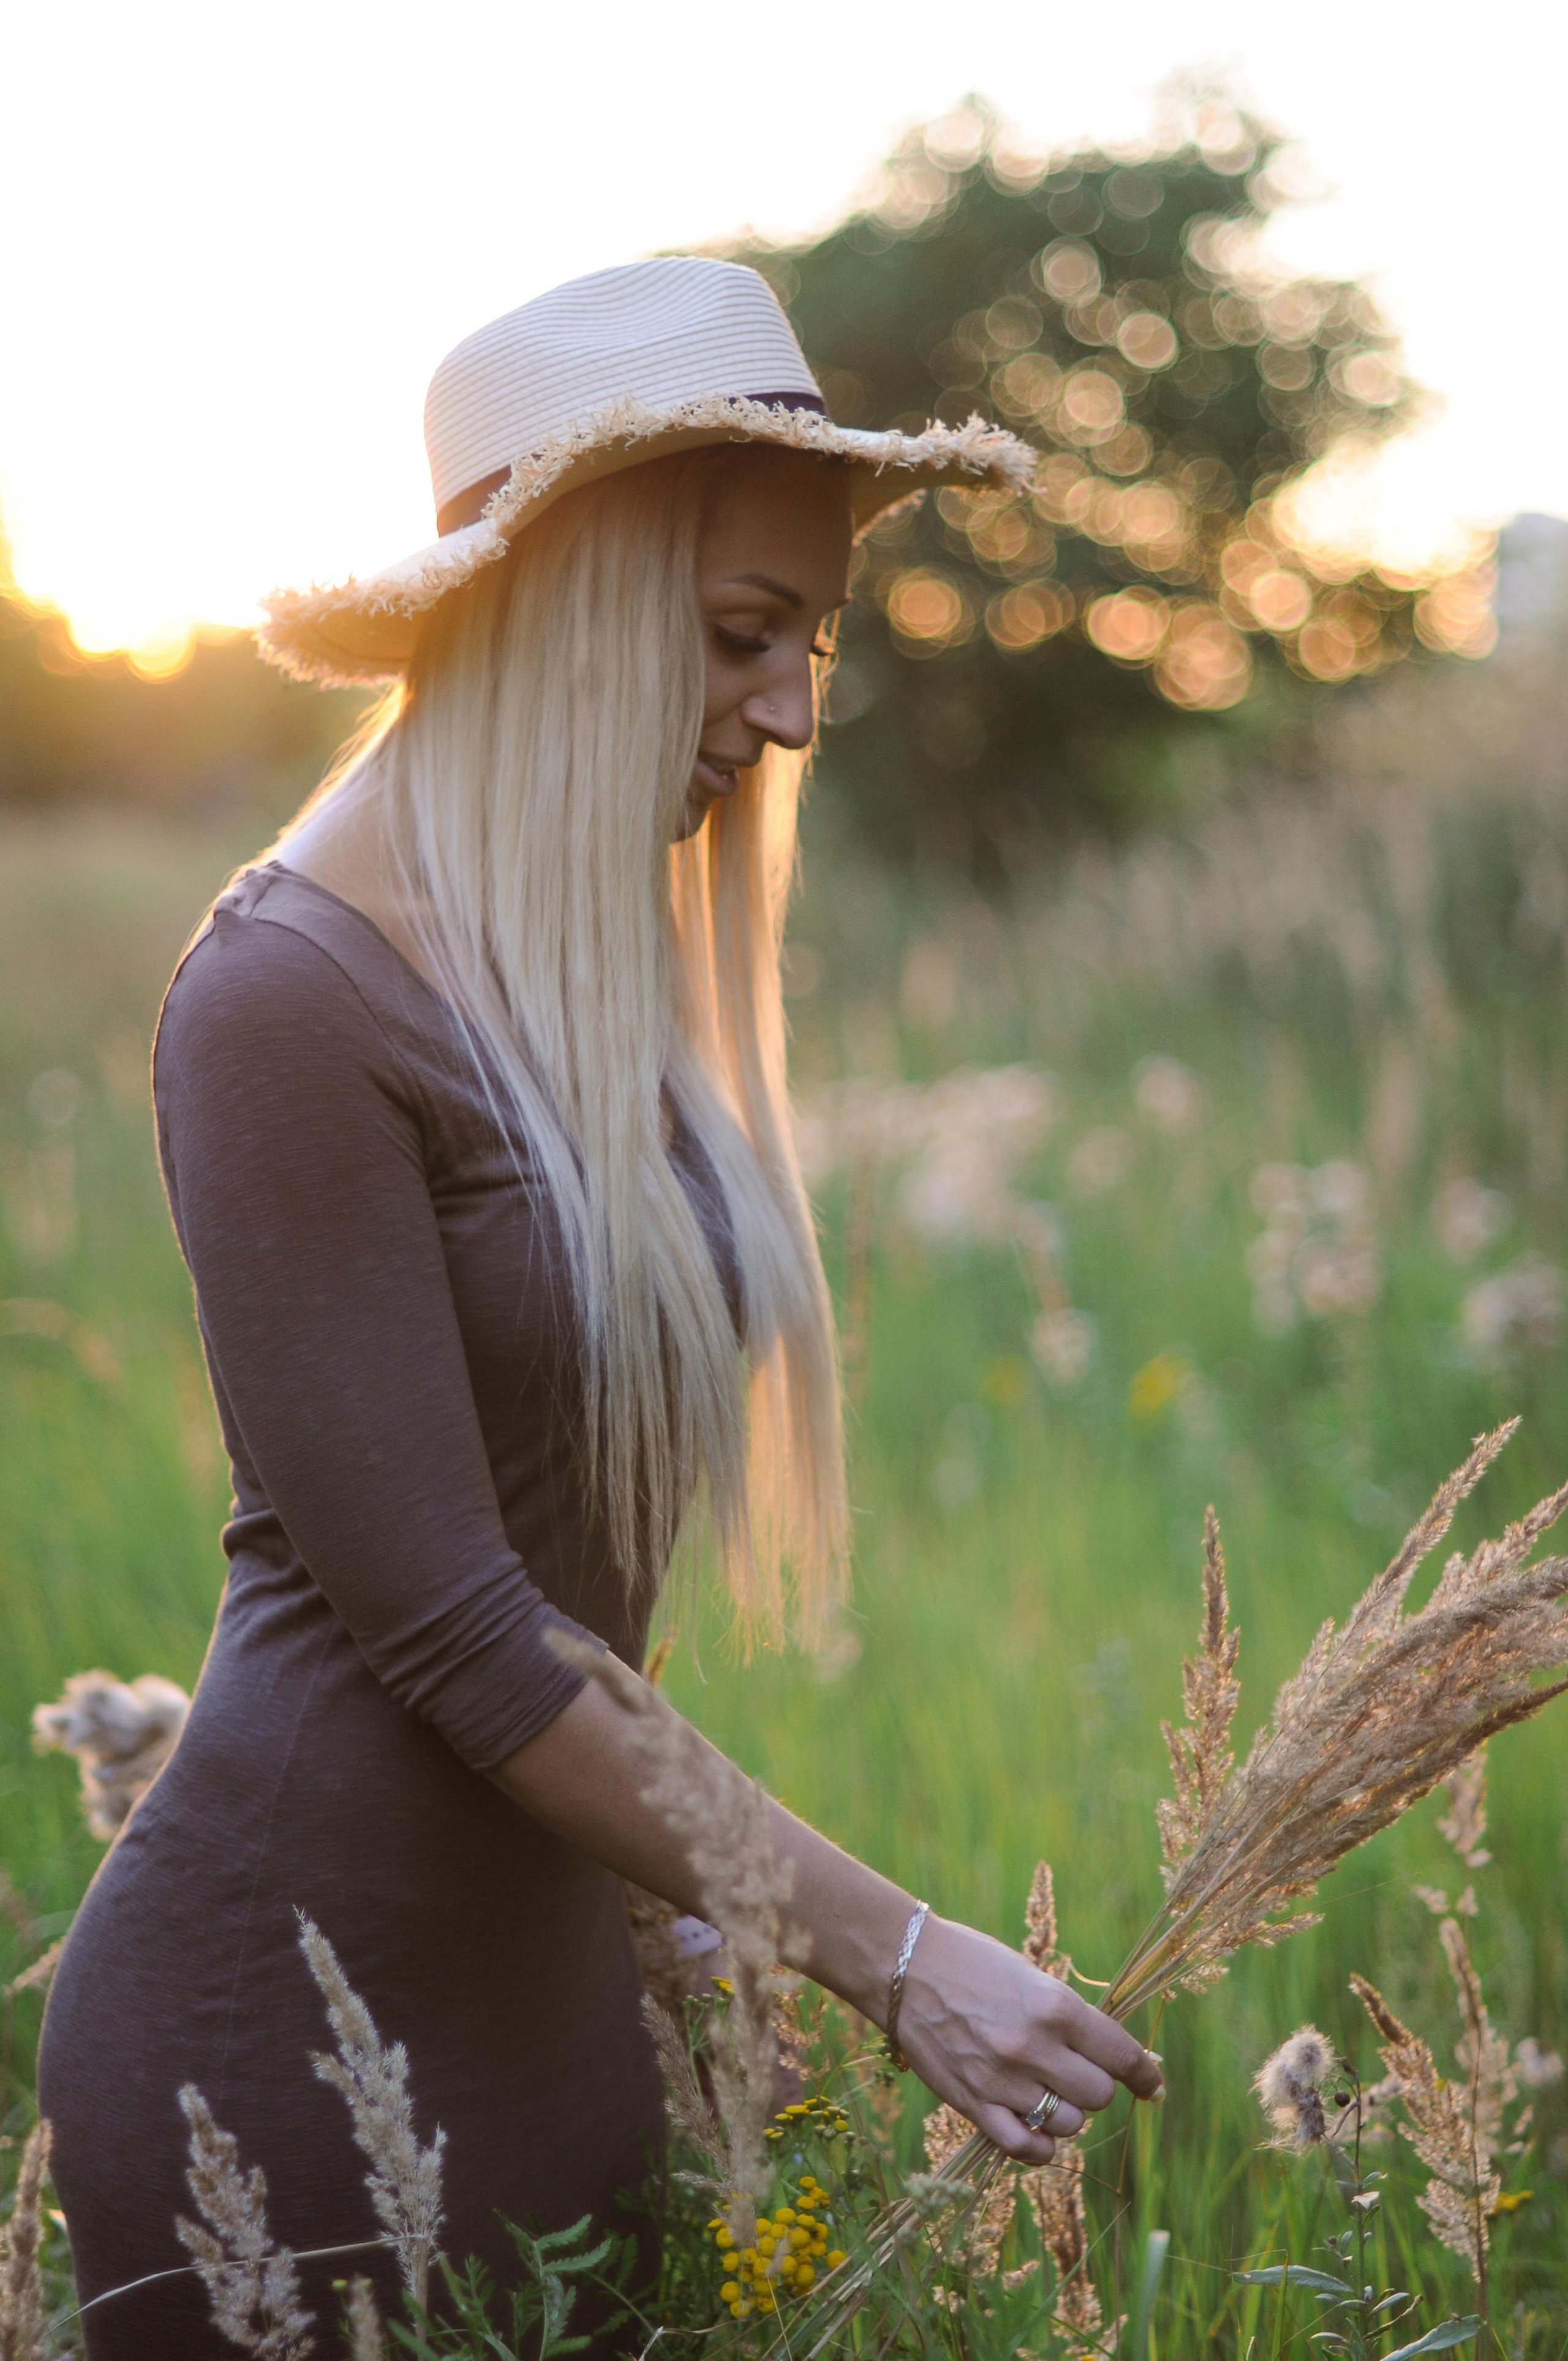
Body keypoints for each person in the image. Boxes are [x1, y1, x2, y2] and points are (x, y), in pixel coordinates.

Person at [39, 257, 1163, 2356]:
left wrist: (694, 1932)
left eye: (813, 645)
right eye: (748, 637)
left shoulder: (575, 970)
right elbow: (464, 1632)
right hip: (282, 2035)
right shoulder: (286, 998)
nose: (798, 711)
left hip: (559, 2001)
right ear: (565, 599)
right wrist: (892, 1952)